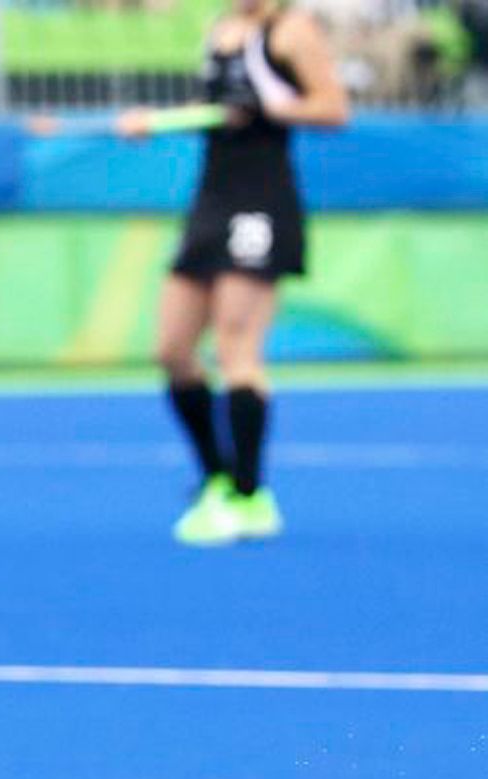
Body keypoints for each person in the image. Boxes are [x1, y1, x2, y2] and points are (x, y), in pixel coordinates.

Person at [117, 0, 348, 546]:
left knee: (236, 349)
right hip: (211, 201)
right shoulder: (220, 29)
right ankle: (216, 476)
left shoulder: (289, 30)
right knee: (172, 350)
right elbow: (211, 109)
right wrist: (156, 122)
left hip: (261, 203)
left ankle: (249, 497)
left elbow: (333, 109)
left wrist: (272, 106)